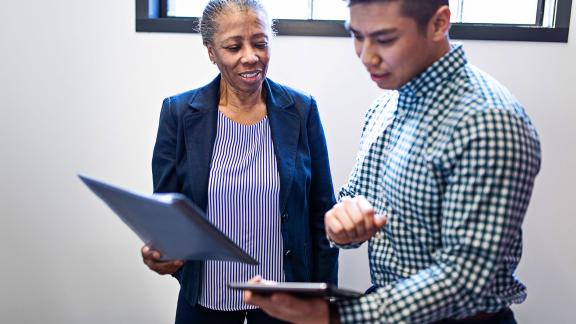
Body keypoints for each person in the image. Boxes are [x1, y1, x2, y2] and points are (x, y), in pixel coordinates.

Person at [245, 0, 541, 323]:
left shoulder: (488, 120)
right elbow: (352, 205)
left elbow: (465, 279)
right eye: (357, 36)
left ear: (439, 24)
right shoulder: (385, 107)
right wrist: (340, 226)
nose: (366, 57)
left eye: (385, 39)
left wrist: (333, 315)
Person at [141, 0, 339, 323]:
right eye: (234, 46)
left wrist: (323, 298)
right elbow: (167, 213)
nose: (251, 56)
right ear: (211, 52)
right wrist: (161, 250)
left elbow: (322, 211)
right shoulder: (178, 113)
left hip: (284, 300)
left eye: (260, 43)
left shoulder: (301, 111)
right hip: (206, 299)